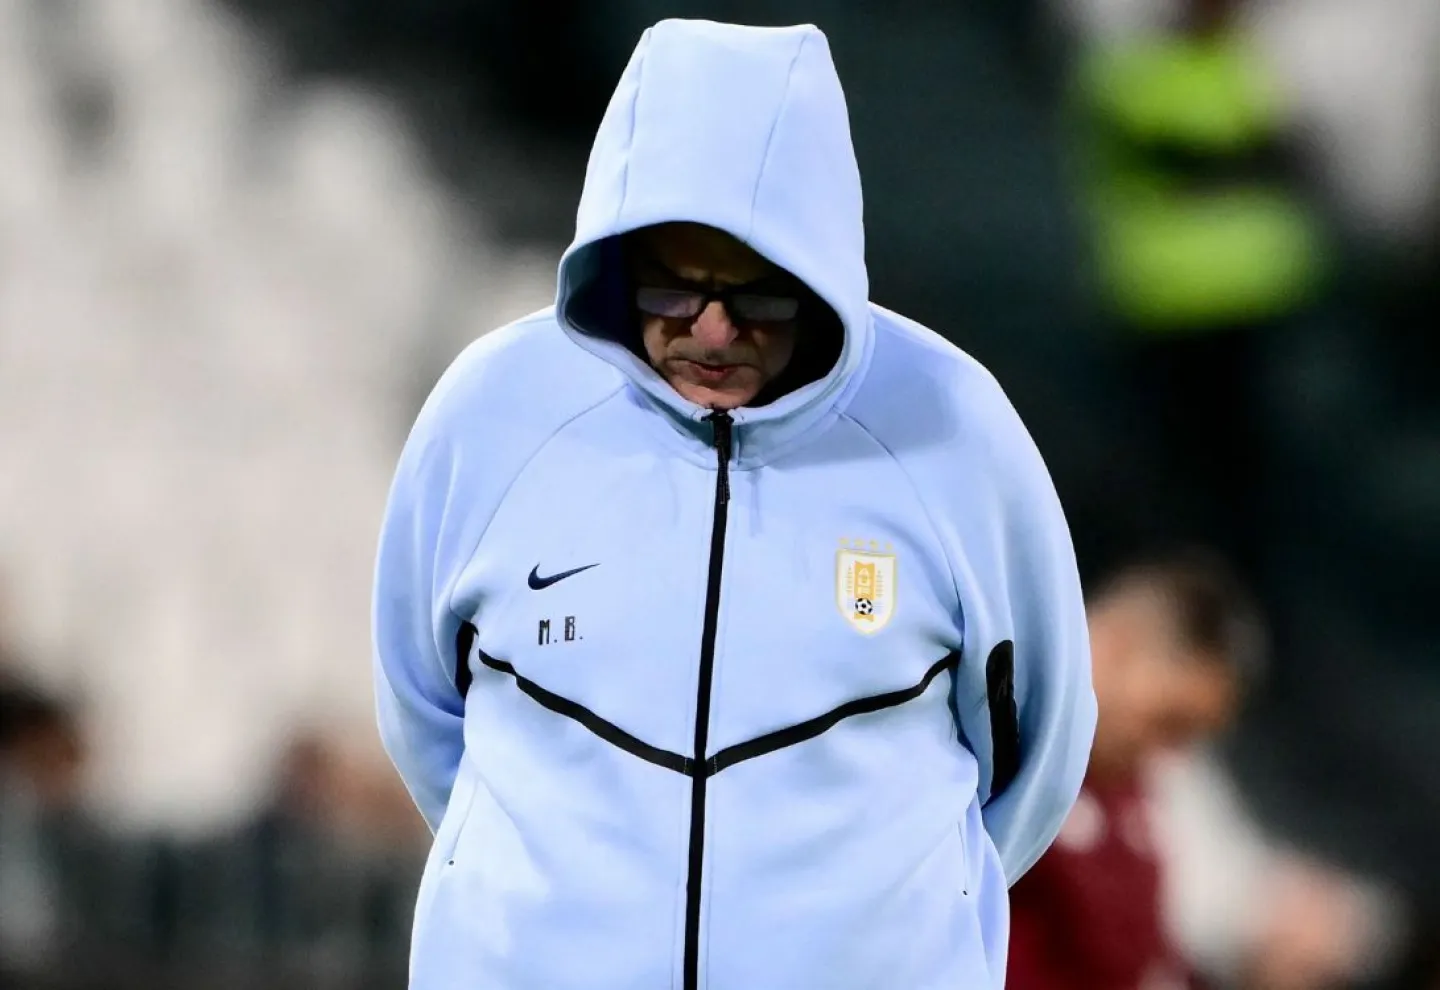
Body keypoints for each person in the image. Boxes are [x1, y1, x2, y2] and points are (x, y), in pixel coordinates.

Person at [372, 19, 1095, 990]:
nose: (711, 330)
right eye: (674, 286)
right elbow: (426, 714)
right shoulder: (492, 414)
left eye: (756, 294)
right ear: (617, 260)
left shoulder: (955, 432)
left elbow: (1033, 758)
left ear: (821, 270)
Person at [1007, 550, 1262, 990]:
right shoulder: (992, 753)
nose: (1172, 754)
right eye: (1171, 721)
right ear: (1115, 643)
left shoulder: (1128, 800)